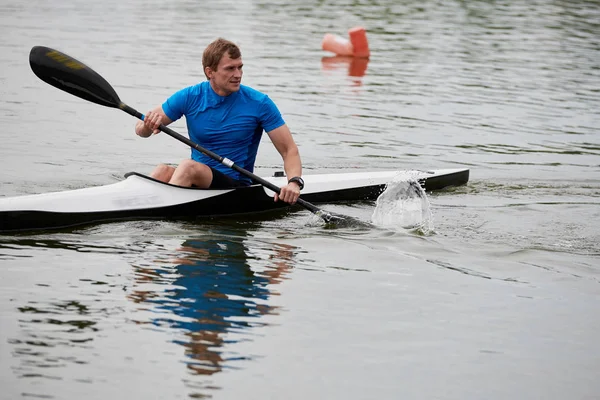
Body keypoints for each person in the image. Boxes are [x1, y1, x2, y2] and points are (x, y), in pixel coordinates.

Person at [135, 38, 304, 204]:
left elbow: (289, 150)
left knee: (187, 167)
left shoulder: (259, 103)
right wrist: (147, 126)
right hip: (198, 178)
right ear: (210, 72)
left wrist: (294, 183)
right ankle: (138, 215)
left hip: (236, 185)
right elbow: (140, 129)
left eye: (240, 67)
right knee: (162, 170)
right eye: (230, 68)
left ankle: (159, 218)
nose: (237, 74)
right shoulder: (190, 97)